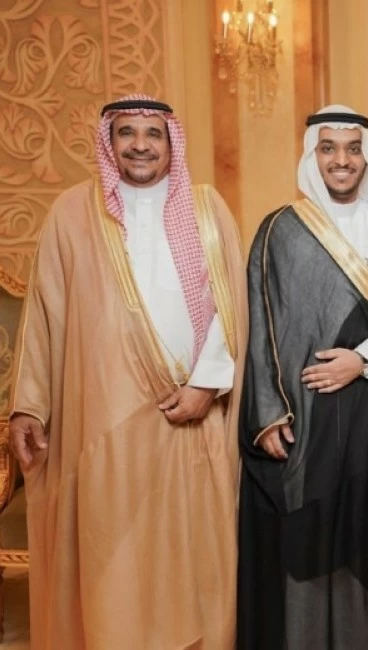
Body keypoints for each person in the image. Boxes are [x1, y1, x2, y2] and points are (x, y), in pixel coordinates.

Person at [7, 93, 247, 648]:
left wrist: (206, 385)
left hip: (192, 416)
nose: (140, 145)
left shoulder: (207, 210)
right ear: (109, 142)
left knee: (193, 555)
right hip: (102, 421)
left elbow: (231, 307)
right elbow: (44, 315)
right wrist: (29, 406)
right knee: (111, 554)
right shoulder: (72, 212)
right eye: (127, 133)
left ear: (171, 142)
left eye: (153, 133)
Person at [237, 104, 368, 649]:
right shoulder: (280, 229)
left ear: (366, 156)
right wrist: (269, 413)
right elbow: (259, 322)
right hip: (305, 415)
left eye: (352, 149)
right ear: (312, 156)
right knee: (310, 533)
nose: (341, 160)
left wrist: (360, 361)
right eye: (328, 149)